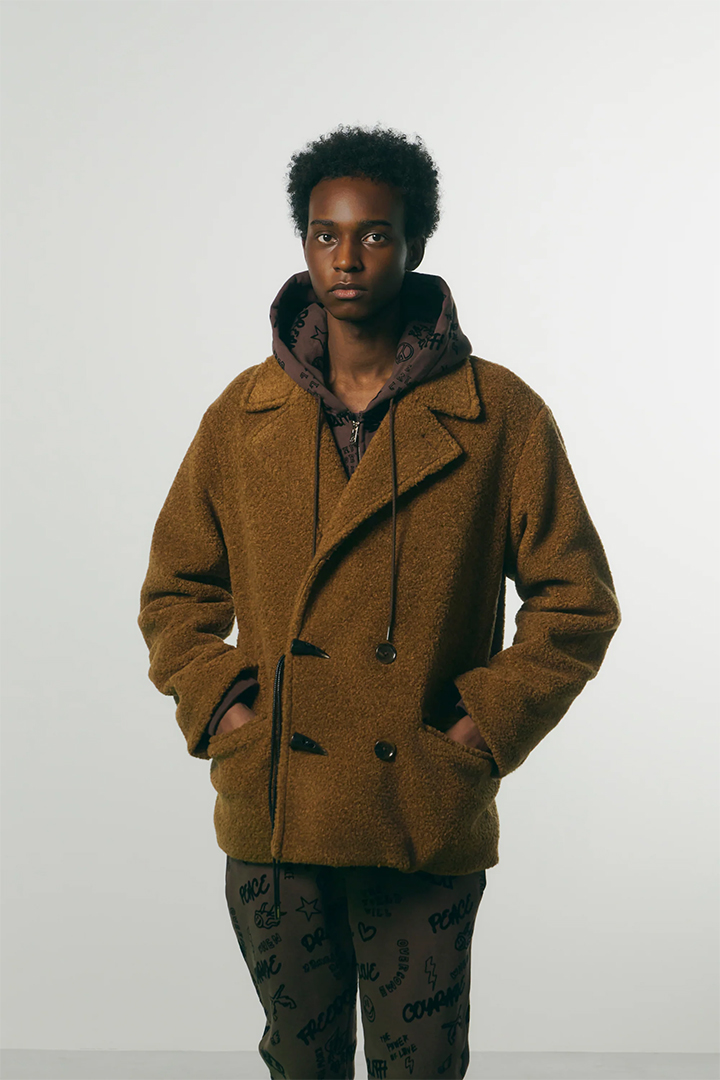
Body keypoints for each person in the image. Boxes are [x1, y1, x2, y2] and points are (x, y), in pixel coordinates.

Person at [138, 123, 621, 1080]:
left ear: (415, 243)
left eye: (373, 234)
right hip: (278, 806)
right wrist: (228, 712)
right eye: (325, 235)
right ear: (303, 243)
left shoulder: (498, 414)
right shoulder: (243, 416)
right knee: (301, 1062)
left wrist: (478, 730)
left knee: (421, 1065)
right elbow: (175, 591)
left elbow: (577, 604)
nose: (347, 258)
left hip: (419, 806)